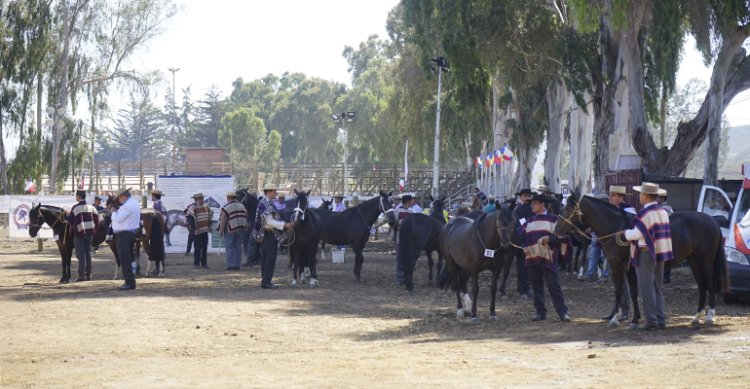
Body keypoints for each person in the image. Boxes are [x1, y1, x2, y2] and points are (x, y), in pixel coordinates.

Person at [621, 182, 673, 331]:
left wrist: (625, 234)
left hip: (646, 254)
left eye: (641, 194)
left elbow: (637, 234)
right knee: (657, 287)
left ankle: (651, 320)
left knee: (646, 288)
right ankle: (660, 318)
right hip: (660, 253)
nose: (639, 196)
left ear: (646, 196)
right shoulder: (663, 211)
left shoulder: (645, 214)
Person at [521, 193, 570, 322]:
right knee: (536, 286)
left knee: (554, 286)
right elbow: (522, 238)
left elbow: (564, 237)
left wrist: (550, 238)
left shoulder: (554, 220)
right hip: (531, 257)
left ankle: (563, 312)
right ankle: (540, 312)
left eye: (534, 203)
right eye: (531, 203)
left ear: (542, 204)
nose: (532, 206)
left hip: (548, 258)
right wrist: (524, 247)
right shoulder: (528, 222)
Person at [252, 183, 293, 289]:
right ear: (269, 192)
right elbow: (269, 222)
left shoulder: (265, 202)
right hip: (269, 234)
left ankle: (265, 280)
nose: (276, 193)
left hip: (265, 234)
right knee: (270, 258)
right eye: (274, 191)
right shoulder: (266, 204)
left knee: (265, 258)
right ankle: (266, 281)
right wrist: (284, 224)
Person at [110, 187, 140, 290]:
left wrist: (113, 212)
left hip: (124, 234)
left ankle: (129, 282)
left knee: (124, 259)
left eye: (119, 198)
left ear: (123, 196)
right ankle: (130, 281)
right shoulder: (132, 203)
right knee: (126, 258)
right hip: (128, 233)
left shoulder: (127, 206)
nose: (118, 200)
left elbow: (118, 219)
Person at [68, 190, 99, 282]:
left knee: (81, 254)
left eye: (76, 196)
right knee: (88, 254)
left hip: (79, 234)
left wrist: (67, 214)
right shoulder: (92, 207)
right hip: (90, 234)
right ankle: (89, 275)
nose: (75, 197)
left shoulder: (75, 208)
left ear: (78, 197)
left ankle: (82, 275)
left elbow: (70, 220)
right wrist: (94, 231)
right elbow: (97, 221)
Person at [217, 191, 248, 271]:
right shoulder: (242, 206)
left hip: (230, 229)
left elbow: (223, 219)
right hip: (240, 228)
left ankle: (230, 265)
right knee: (238, 247)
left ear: (228, 198)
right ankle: (237, 265)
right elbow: (246, 216)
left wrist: (220, 231)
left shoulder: (226, 207)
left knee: (229, 247)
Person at [187, 193, 212, 269]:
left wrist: (209, 226)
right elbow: (190, 220)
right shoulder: (192, 208)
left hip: (205, 230)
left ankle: (204, 264)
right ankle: (196, 264)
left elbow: (209, 217)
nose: (201, 200)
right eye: (199, 199)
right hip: (197, 231)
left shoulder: (206, 207)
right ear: (195, 200)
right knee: (197, 248)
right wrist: (194, 229)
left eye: (201, 198)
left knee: (204, 247)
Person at [657, 188, 675, 283]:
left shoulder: (664, 208)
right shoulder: (666, 207)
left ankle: (666, 277)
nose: (656, 199)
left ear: (662, 198)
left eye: (658, 197)